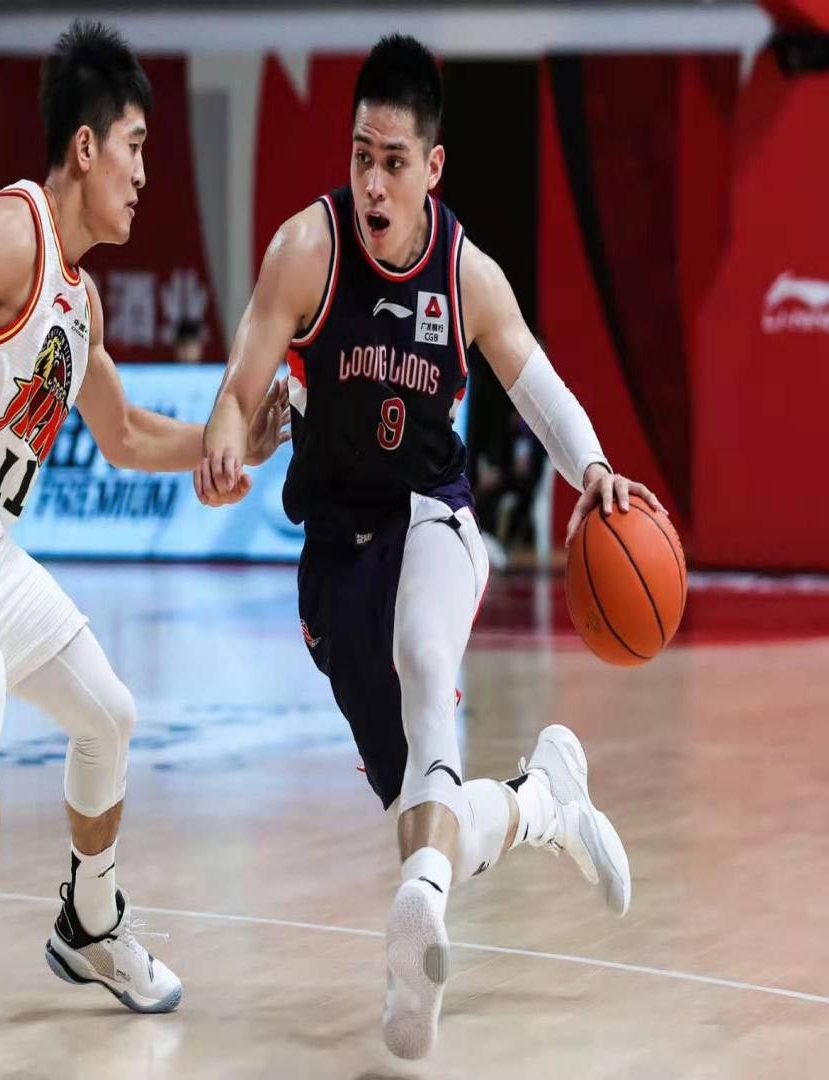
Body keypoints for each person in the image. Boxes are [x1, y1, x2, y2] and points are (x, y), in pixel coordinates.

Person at [0, 21, 288, 1080]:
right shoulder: (10, 231)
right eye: (135, 146)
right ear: (86, 148)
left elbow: (124, 437)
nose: (145, 175)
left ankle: (90, 920)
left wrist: (233, 444)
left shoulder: (77, 302)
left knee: (110, 716)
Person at [196, 34, 664, 1060]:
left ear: (432, 167)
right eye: (361, 156)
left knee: (426, 652)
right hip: (335, 548)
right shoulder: (306, 249)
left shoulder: (467, 274)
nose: (373, 181)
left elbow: (537, 386)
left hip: (435, 516)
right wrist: (227, 440)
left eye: (394, 161)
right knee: (423, 806)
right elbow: (240, 386)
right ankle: (539, 805)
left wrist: (592, 467)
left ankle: (418, 927)